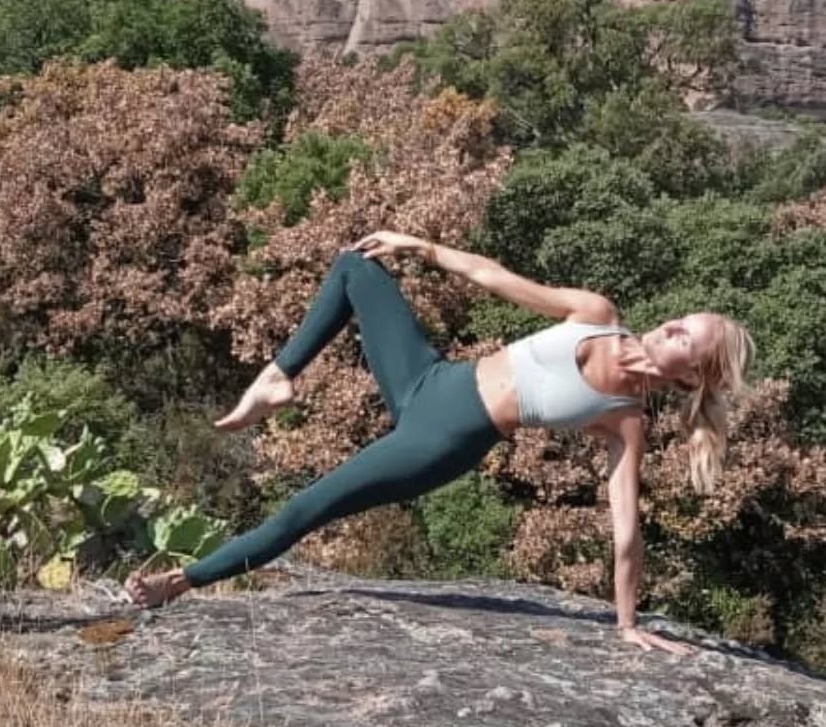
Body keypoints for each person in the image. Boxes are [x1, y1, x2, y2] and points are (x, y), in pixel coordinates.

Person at [125, 230, 755, 654]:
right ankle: (278, 377)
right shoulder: (595, 313)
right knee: (355, 267)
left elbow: (625, 528)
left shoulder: (623, 416)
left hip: (444, 438)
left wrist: (626, 624)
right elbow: (491, 275)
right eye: (679, 320)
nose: (669, 326)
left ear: (691, 374)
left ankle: (179, 582)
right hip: (430, 378)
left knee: (306, 508)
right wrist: (416, 245)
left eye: (683, 339)